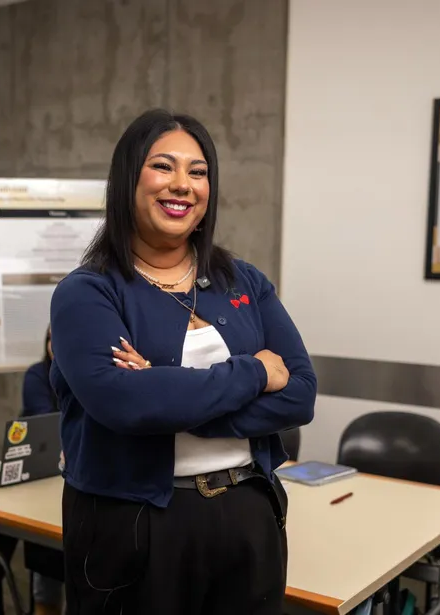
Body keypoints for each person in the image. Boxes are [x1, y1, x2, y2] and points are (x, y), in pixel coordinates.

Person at [49, 109, 317, 614]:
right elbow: (126, 406)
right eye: (163, 167)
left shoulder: (244, 281)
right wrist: (256, 372)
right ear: (129, 177)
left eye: (198, 172)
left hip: (246, 512)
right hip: (134, 523)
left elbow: (301, 392)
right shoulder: (87, 293)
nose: (182, 185)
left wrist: (167, 393)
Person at [20, 326, 65, 615]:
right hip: (47, 474)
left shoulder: (96, 372)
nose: (54, 344)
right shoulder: (38, 374)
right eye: (51, 338)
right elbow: (45, 421)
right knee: (47, 557)